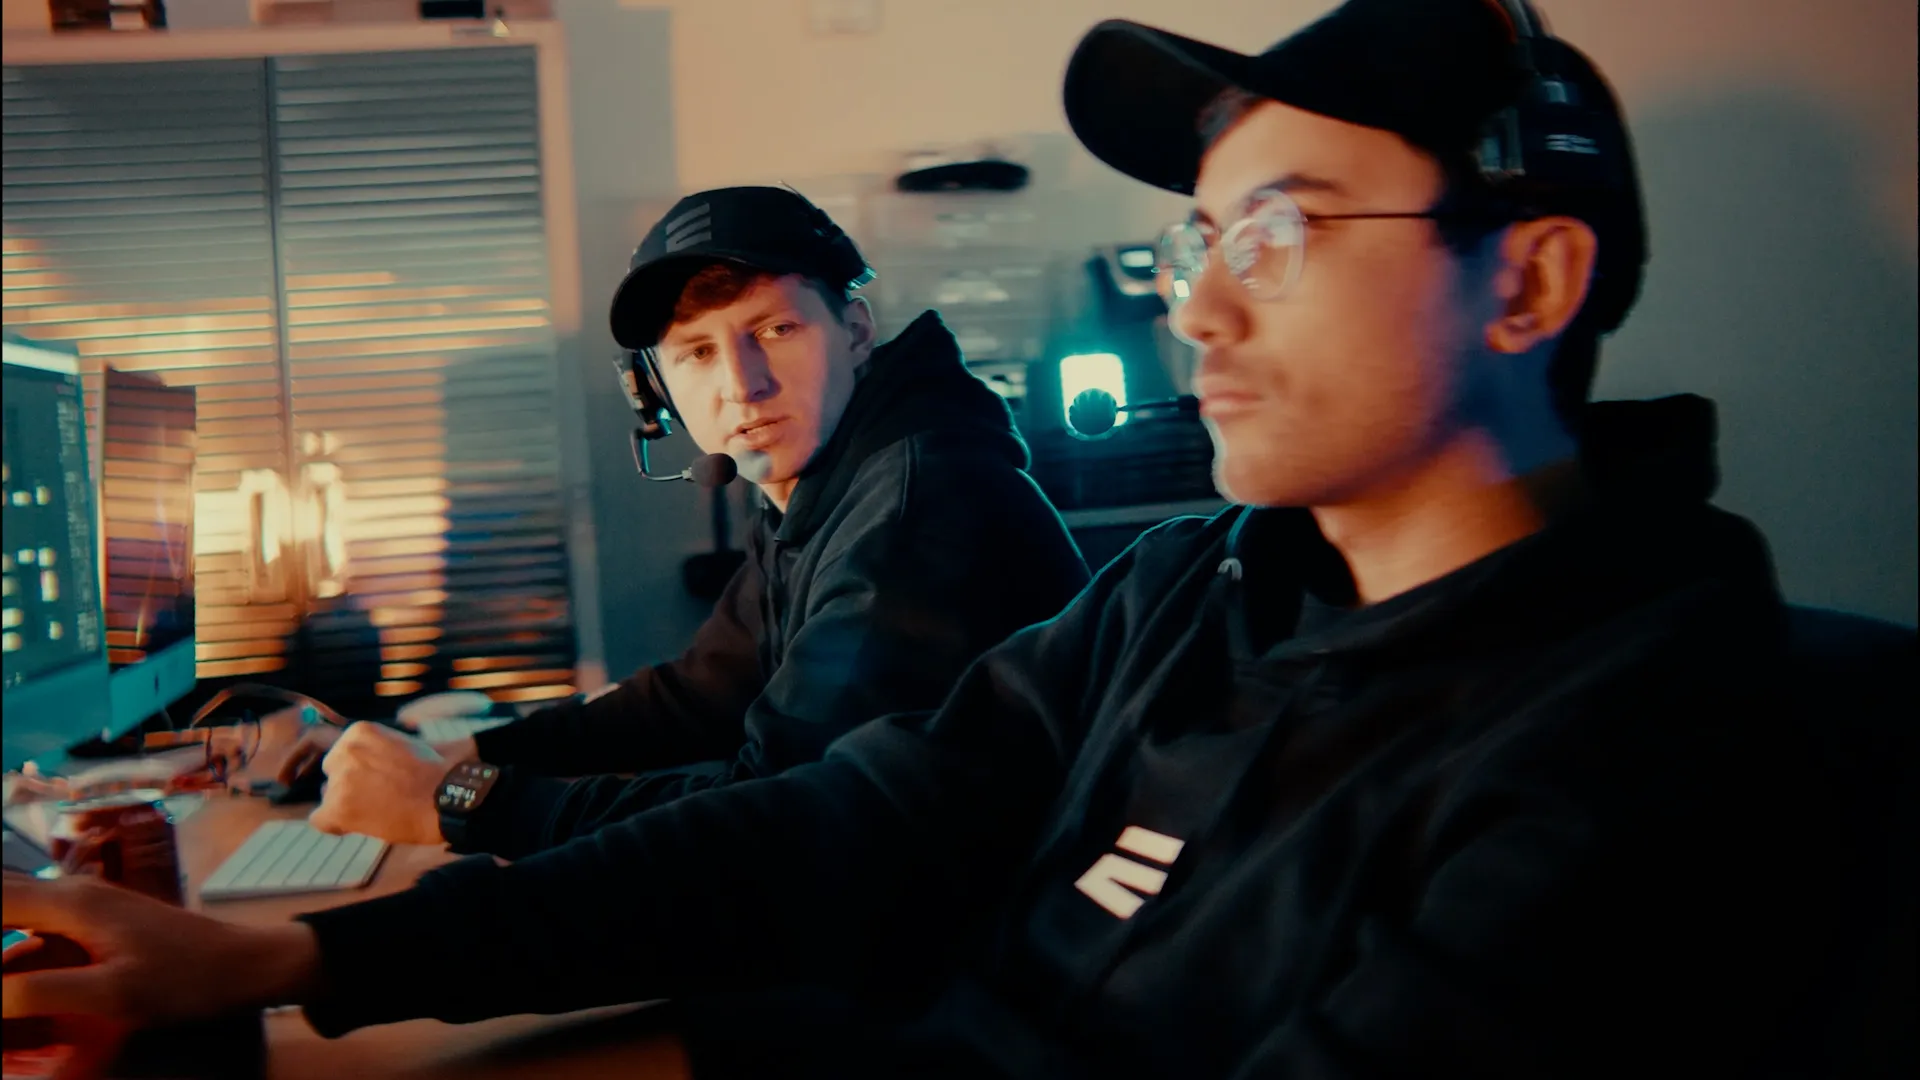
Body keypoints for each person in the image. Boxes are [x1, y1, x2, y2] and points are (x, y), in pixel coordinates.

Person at [2, 2, 1842, 1077]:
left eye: (1270, 233)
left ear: (1527, 277)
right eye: (1197, 243)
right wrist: (302, 960)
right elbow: (852, 809)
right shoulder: (1190, 584)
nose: (1194, 311)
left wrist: (456, 818)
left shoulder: (1653, 739)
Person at [272, 185, 1089, 855]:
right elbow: (699, 694)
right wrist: (469, 754)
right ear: (655, 391)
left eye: (775, 329)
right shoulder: (818, 485)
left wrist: (460, 800)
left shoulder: (915, 510)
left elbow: (773, 813)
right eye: (697, 352)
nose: (743, 384)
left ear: (856, 332)